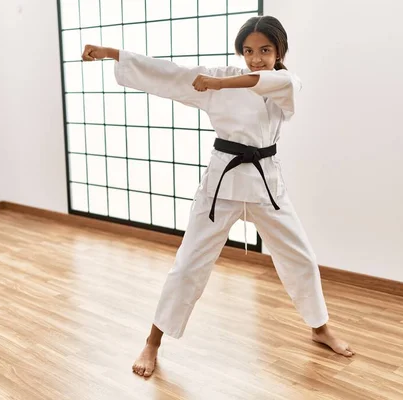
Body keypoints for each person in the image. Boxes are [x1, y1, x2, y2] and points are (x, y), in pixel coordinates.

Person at [82, 15, 354, 378]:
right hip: (220, 185)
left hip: (266, 185)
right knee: (188, 264)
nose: (255, 58)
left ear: (280, 51)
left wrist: (218, 83)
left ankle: (320, 328)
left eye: (264, 50)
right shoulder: (218, 76)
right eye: (248, 50)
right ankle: (152, 342)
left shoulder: (285, 81)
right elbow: (169, 74)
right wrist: (113, 53)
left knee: (300, 257)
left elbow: (258, 80)